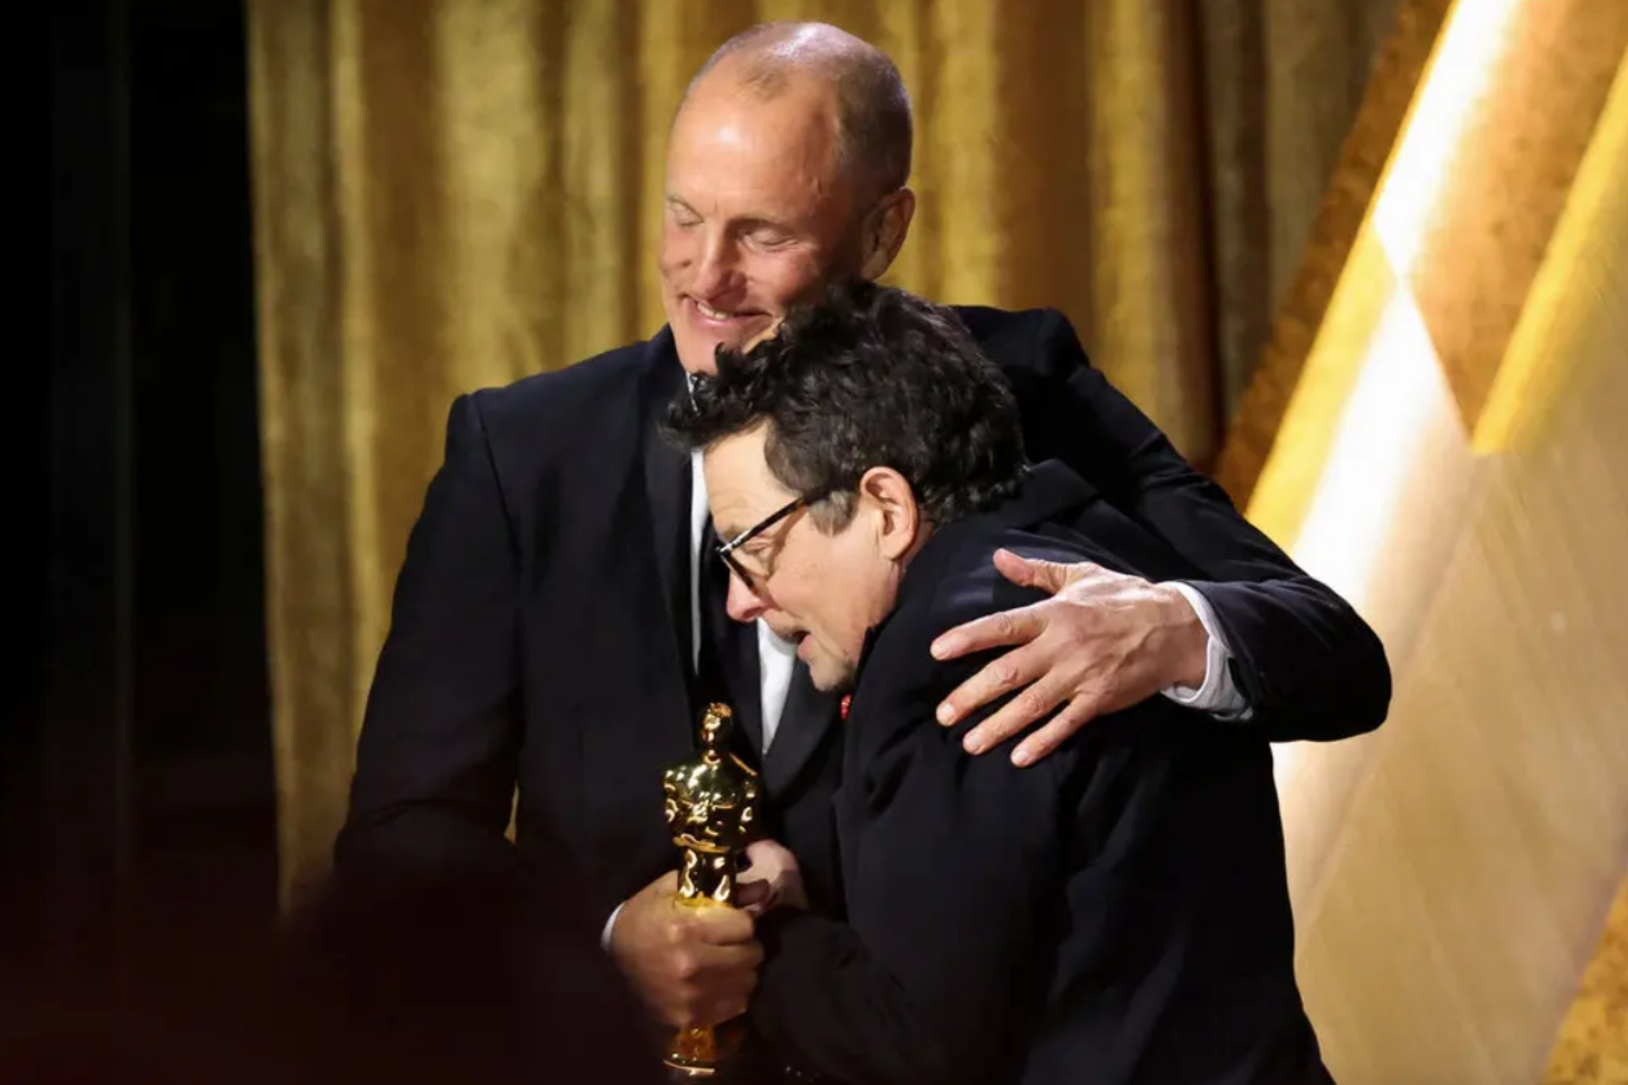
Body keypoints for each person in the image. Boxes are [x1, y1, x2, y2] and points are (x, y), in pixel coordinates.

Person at [336, 20, 1389, 1041]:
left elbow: (1334, 653)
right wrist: (606, 938)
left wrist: (1170, 628)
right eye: (683, 217)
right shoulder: (521, 455)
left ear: (881, 231)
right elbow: (399, 844)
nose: (705, 279)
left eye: (763, 232)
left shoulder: (1019, 385)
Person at [668, 278, 1332, 1085]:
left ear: (885, 508)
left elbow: (914, 1045)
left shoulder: (957, 652)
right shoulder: (1095, 547)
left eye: (752, 547)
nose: (741, 598)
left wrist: (748, 937)